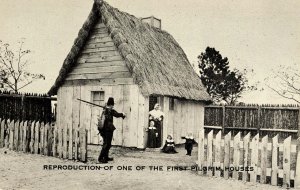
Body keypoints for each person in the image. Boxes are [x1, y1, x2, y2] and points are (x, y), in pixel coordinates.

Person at [98, 97, 125, 163]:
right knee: (107, 144)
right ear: (111, 104)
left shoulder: (105, 110)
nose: (113, 106)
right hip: (107, 129)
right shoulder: (109, 110)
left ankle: (106, 157)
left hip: (104, 129)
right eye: (112, 105)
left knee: (107, 144)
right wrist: (122, 114)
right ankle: (101, 158)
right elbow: (116, 114)